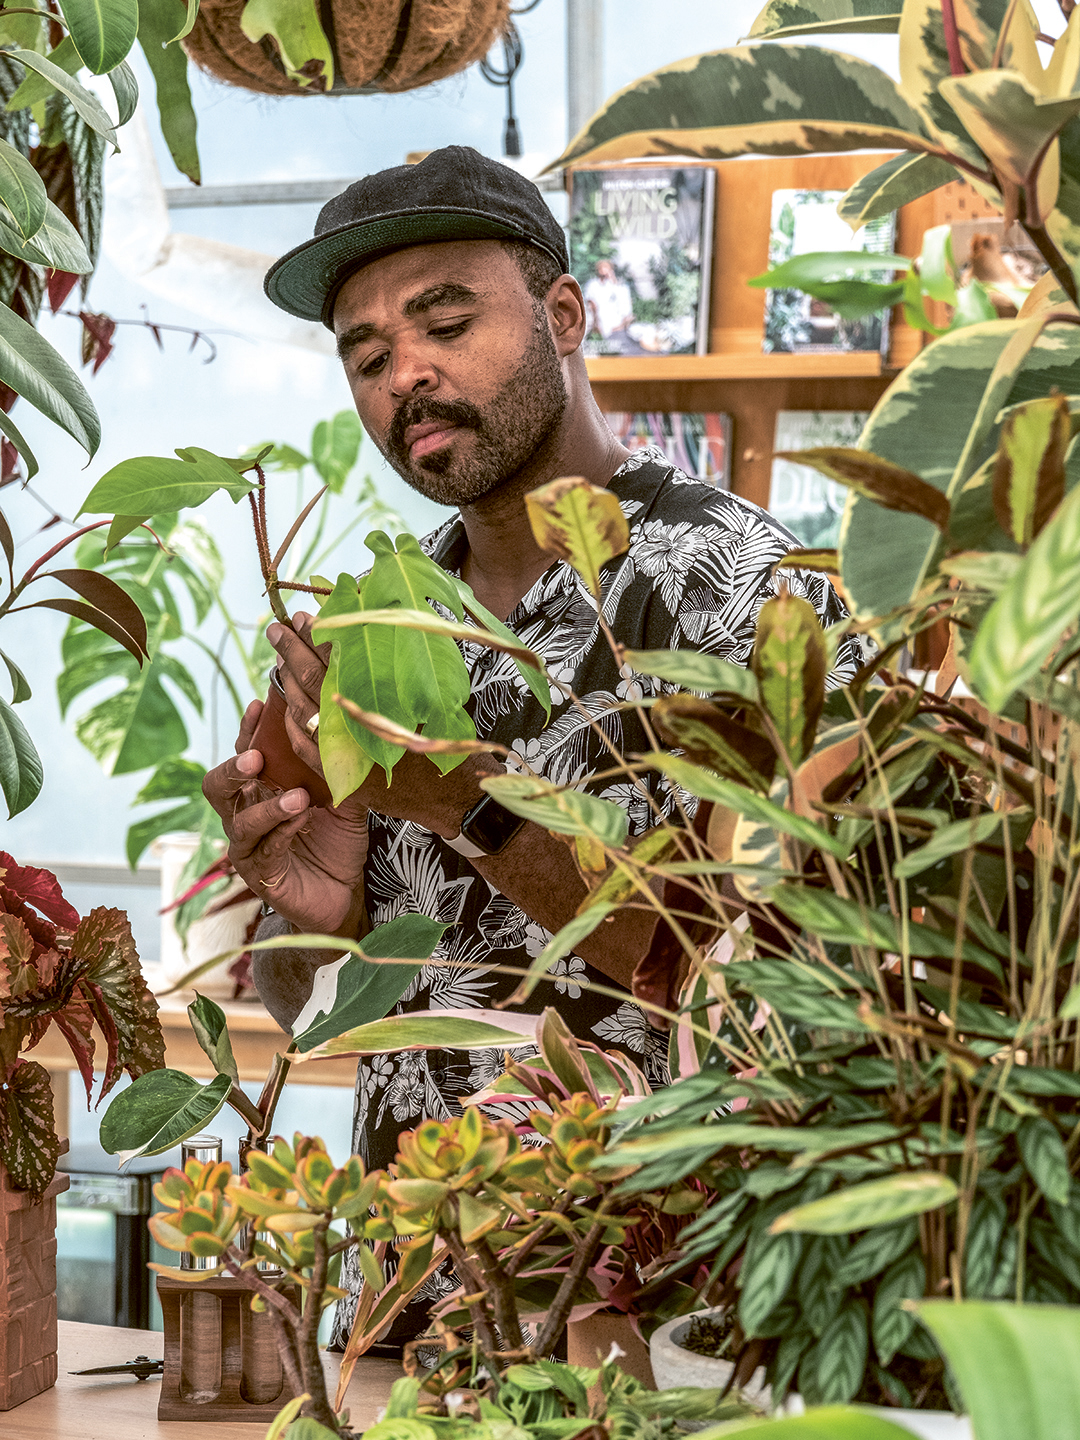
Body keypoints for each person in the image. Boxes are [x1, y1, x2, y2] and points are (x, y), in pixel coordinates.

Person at [202, 145, 860, 1341]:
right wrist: (341, 905)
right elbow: (441, 966)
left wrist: (473, 805)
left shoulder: (746, 593)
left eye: (445, 319)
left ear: (564, 313)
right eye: (366, 355)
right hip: (419, 1293)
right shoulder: (387, 624)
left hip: (661, 1311)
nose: (408, 373)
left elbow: (766, 979)